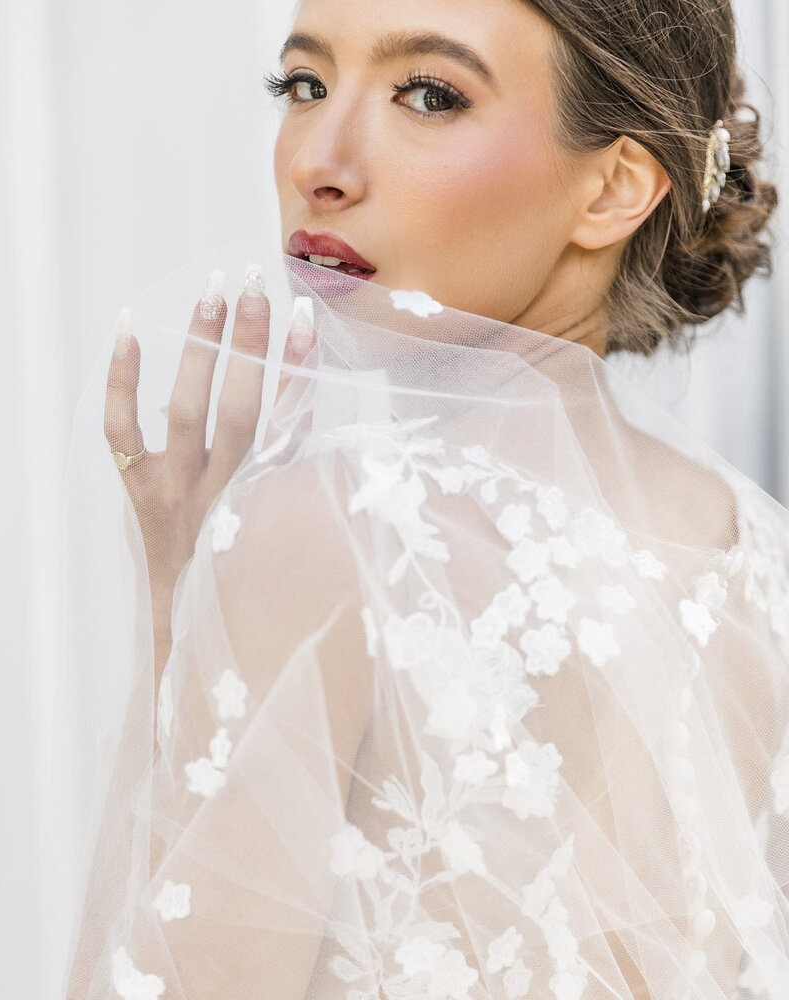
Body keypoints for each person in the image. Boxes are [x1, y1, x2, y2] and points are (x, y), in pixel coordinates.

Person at [61, 1, 788, 998]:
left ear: (614, 187)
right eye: (304, 84)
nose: (318, 158)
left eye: (427, 94)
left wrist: (174, 595)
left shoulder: (326, 528)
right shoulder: (750, 552)